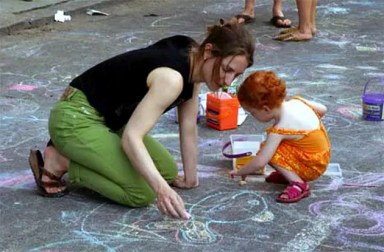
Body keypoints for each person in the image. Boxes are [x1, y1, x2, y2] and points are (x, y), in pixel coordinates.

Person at [28, 19, 255, 219]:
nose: (228, 81)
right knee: (142, 193)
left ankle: (87, 154)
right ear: (208, 51)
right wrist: (162, 190)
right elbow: (132, 138)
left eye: (236, 74)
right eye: (227, 69)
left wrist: (190, 178)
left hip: (108, 120)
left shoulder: (192, 57)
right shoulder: (172, 78)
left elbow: (188, 125)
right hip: (75, 118)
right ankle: (59, 161)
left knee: (166, 170)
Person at [229, 71, 331, 203]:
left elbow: (261, 161)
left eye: (253, 113)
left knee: (269, 150)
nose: (253, 116)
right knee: (280, 145)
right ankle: (290, 174)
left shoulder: (280, 129)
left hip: (312, 167)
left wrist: (240, 171)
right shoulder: (298, 101)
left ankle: (298, 184)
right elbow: (323, 109)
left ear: (265, 109)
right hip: (322, 156)